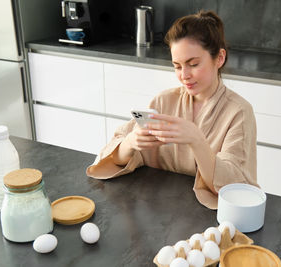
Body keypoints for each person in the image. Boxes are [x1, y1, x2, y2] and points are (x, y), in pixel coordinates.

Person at [86, 10, 258, 209]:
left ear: (219, 58)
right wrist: (130, 143)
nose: (184, 75)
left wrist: (196, 140)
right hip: (159, 208)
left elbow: (235, 187)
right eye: (177, 66)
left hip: (209, 219)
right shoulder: (164, 101)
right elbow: (111, 157)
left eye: (193, 64)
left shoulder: (239, 113)